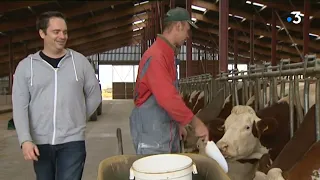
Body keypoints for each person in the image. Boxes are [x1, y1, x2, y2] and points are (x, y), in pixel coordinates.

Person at [12, 11, 102, 180]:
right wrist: (25, 140)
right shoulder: (26, 67)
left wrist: (78, 118)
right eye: (56, 32)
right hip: (40, 143)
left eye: (65, 32)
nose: (62, 36)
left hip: (72, 142)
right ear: (42, 33)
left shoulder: (79, 62)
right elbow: (20, 106)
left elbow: (94, 94)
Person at [130, 7, 209, 155]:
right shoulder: (156, 56)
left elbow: (168, 95)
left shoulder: (168, 55)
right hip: (153, 135)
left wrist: (177, 124)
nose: (187, 36)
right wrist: (195, 122)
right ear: (178, 26)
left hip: (164, 132)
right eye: (187, 30)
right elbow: (167, 98)